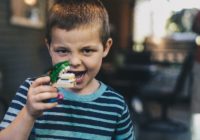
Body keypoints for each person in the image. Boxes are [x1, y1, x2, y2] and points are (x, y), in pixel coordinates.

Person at [0, 0, 135, 139]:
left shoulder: (116, 105)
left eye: (87, 50)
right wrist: (28, 113)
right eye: (63, 50)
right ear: (49, 47)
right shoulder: (32, 92)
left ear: (106, 48)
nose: (74, 62)